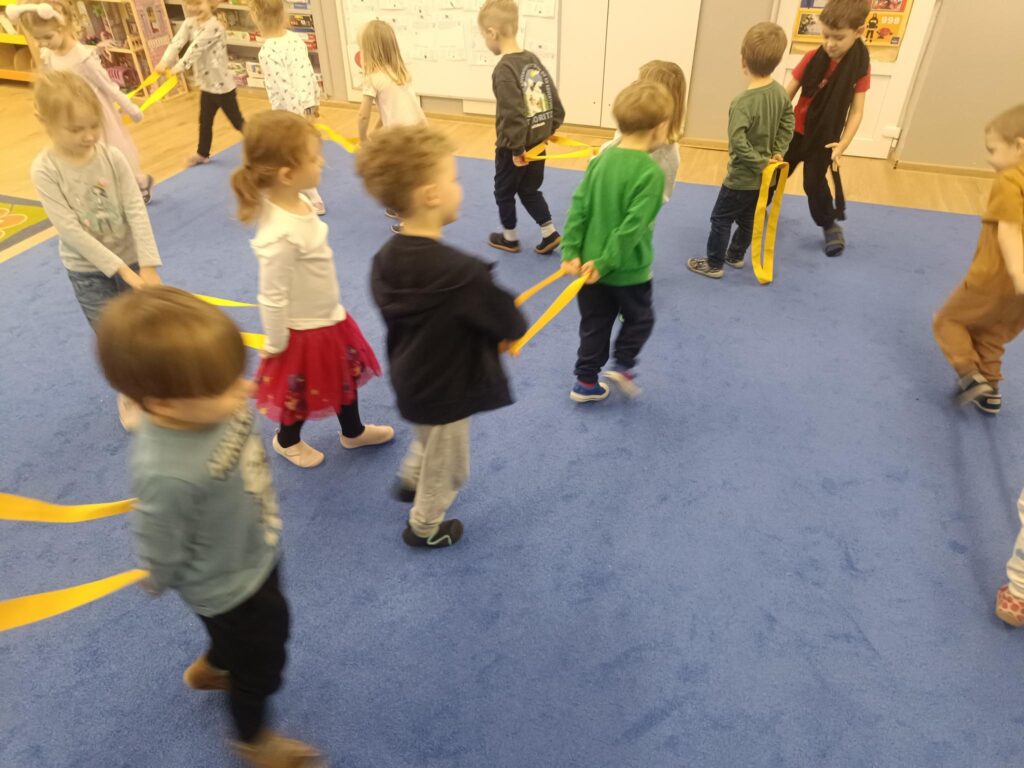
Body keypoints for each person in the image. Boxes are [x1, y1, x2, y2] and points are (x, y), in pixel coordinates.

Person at [95, 286, 322, 768]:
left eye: (235, 375)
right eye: (224, 386)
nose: (244, 390)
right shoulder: (165, 470)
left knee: (239, 636)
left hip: (255, 544)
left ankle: (216, 664)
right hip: (224, 584)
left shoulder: (213, 404)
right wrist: (157, 573)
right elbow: (156, 532)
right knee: (262, 660)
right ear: (165, 405)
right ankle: (253, 739)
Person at [356, 125, 527, 549]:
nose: (459, 187)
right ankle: (425, 526)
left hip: (411, 376)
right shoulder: (463, 273)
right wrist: (507, 333)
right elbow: (507, 319)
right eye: (454, 178)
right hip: (449, 386)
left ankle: (412, 479)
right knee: (450, 466)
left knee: (427, 433)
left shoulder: (383, 258)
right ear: (431, 195)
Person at [231, 110, 393, 467]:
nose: (322, 162)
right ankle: (287, 440)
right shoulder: (278, 234)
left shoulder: (300, 201)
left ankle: (352, 431)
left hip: (329, 317)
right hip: (302, 331)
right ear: (287, 175)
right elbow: (271, 295)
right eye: (314, 157)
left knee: (344, 376)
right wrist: (276, 342)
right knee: (300, 392)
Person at [29, 70, 162, 429]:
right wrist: (122, 270)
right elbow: (70, 230)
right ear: (44, 120)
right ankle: (130, 392)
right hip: (88, 271)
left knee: (143, 330)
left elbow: (135, 207)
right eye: (76, 129)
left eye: (94, 125)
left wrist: (148, 264)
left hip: (131, 258)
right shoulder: (45, 170)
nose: (89, 136)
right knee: (113, 337)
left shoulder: (111, 157)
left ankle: (150, 383)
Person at [560, 80, 670, 402]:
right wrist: (608, 261)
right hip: (628, 270)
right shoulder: (652, 173)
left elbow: (579, 207)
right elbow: (632, 228)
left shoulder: (600, 160)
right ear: (659, 128)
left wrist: (571, 250)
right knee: (641, 319)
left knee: (594, 324)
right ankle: (622, 365)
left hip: (588, 268)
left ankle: (585, 382)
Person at [8, 0, 152, 201]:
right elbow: (50, 83)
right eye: (37, 39)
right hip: (70, 115)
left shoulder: (82, 57)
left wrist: (130, 108)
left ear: (63, 25)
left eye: (47, 37)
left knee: (109, 152)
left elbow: (106, 84)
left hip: (94, 114)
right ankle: (102, 194)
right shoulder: (49, 54)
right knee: (85, 157)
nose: (42, 43)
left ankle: (137, 183)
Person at [932, 104, 1024, 415]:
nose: (989, 158)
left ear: (1019, 146)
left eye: (993, 150)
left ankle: (969, 376)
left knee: (948, 321)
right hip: (1019, 297)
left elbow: (1009, 231)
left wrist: (1018, 273)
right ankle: (991, 391)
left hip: (994, 277)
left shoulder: (1010, 180)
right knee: (992, 334)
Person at [687, 22, 794, 279]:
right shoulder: (780, 94)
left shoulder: (742, 103)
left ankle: (714, 264)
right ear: (778, 61)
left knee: (720, 218)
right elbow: (788, 123)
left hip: (741, 178)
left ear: (743, 59)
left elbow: (737, 142)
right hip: (765, 178)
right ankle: (735, 256)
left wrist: (759, 162)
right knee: (749, 219)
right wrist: (776, 153)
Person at [783, 0, 871, 257]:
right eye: (825, 36)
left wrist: (842, 144)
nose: (830, 43)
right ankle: (753, 209)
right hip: (794, 132)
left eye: (838, 37)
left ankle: (829, 224)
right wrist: (771, 124)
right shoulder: (812, 58)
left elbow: (857, 111)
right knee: (774, 174)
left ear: (859, 31)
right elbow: (786, 95)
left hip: (823, 138)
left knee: (813, 183)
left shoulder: (859, 68)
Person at [478, 0, 565, 255]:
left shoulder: (504, 69)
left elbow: (512, 113)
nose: (485, 41)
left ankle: (509, 238)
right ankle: (549, 232)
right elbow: (553, 100)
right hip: (537, 145)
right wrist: (548, 129)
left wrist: (516, 149)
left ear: (492, 33)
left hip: (514, 150)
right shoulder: (532, 60)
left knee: (503, 192)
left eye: (483, 36)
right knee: (529, 189)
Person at [250, 0, 325, 214]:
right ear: (284, 15)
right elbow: (309, 72)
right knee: (299, 153)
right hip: (306, 104)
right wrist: (314, 101)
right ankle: (305, 193)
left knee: (290, 155)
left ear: (255, 18)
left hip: (289, 113)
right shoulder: (294, 39)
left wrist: (294, 118)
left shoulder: (268, 52)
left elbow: (284, 87)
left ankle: (312, 198)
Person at [356, 19, 427, 230]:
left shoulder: (372, 79)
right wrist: (377, 131)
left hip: (401, 138)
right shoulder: (399, 73)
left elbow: (363, 115)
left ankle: (411, 220)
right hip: (418, 130)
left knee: (402, 178)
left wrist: (362, 139)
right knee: (404, 174)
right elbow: (390, 108)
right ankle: (402, 207)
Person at [158, 0, 243, 167]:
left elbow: (195, 48)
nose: (193, 8)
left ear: (210, 3)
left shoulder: (214, 27)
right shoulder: (189, 23)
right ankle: (202, 153)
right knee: (205, 122)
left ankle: (263, 147)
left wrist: (178, 67)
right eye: (190, 4)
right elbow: (177, 42)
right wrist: (164, 61)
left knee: (238, 122)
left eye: (198, 3)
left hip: (223, 87)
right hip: (207, 86)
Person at [600, 59, 687, 204]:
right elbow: (610, 154)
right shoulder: (631, 126)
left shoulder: (667, 155)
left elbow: (662, 196)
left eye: (641, 85)